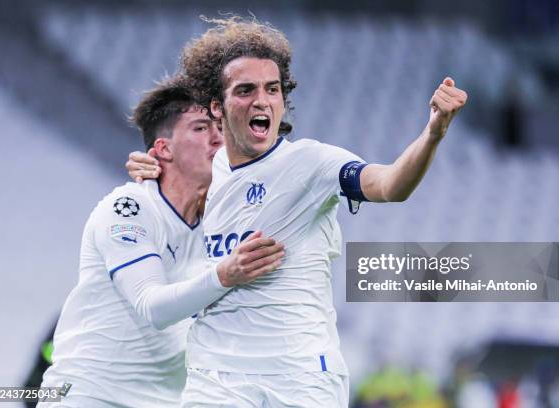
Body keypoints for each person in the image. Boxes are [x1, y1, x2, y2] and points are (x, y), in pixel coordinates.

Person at [128, 16, 467, 408]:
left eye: (272, 89)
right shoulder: (201, 173)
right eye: (245, 90)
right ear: (216, 108)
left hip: (301, 378)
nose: (262, 100)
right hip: (217, 378)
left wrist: (433, 133)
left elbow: (390, 185)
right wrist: (151, 178)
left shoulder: (312, 163)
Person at [38, 78, 284, 408]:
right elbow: (152, 305)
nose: (217, 139)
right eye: (200, 128)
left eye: (221, 129)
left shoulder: (225, 224)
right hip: (91, 397)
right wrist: (225, 275)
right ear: (164, 149)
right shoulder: (129, 208)